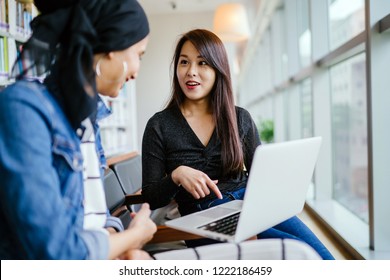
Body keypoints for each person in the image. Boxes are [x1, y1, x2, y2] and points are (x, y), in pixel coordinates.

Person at [141, 28, 334, 260]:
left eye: (202, 63)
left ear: (218, 69)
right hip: (203, 216)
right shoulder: (159, 125)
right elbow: (152, 196)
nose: (191, 72)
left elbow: (261, 176)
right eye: (184, 62)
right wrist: (176, 175)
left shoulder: (239, 117)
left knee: (323, 257)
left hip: (251, 204)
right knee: (297, 253)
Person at [0, 0, 156, 260]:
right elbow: (56, 252)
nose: (136, 71)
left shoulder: (85, 117)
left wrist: (120, 248)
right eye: (138, 55)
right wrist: (133, 237)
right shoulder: (22, 109)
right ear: (111, 48)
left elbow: (95, 216)